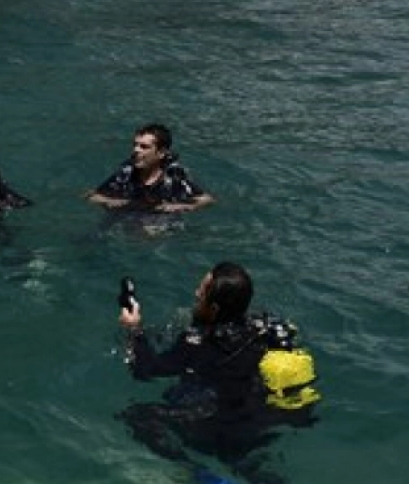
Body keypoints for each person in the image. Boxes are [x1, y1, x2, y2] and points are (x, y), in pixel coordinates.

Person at [115, 262, 319, 484]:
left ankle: (197, 472)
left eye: (201, 293)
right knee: (245, 463)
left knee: (137, 416)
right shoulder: (264, 328)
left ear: (214, 309)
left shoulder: (198, 344)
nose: (196, 293)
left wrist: (134, 330)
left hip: (219, 431)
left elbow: (145, 371)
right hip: (262, 423)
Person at [88, 123, 213, 213]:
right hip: (129, 214)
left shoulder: (173, 177)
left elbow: (207, 199)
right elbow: (91, 195)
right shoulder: (126, 174)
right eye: (135, 145)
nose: (136, 150)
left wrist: (180, 206)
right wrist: (108, 201)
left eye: (144, 146)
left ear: (161, 153)